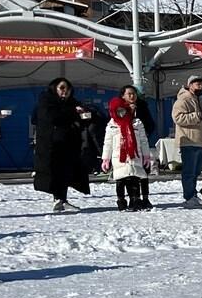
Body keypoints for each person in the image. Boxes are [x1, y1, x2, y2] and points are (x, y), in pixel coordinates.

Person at [33, 77, 90, 212]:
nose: (65, 91)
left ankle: (62, 199)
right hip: (51, 144)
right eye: (62, 88)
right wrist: (72, 113)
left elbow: (81, 120)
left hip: (69, 143)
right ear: (54, 88)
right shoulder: (46, 101)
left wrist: (83, 115)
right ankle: (58, 198)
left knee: (66, 172)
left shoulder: (72, 103)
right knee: (54, 171)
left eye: (68, 88)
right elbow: (51, 118)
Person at [102, 95, 154, 211]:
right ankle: (121, 201)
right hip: (119, 158)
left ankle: (134, 200)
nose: (121, 113)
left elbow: (144, 140)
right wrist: (106, 159)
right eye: (118, 111)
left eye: (123, 110)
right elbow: (108, 143)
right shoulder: (111, 126)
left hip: (135, 156)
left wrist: (146, 156)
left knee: (135, 180)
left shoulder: (136, 123)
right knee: (120, 181)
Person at [173, 75, 202, 208]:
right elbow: (177, 118)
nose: (200, 86)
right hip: (189, 141)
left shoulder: (201, 100)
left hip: (200, 141)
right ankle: (189, 197)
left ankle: (193, 195)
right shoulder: (183, 99)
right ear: (190, 85)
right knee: (189, 171)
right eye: (197, 84)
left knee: (196, 172)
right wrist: (198, 116)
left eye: (201, 84)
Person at [118, 86, 156, 206]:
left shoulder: (142, 107)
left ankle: (145, 198)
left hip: (141, 143)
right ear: (123, 96)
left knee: (143, 172)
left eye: (133, 93)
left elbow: (150, 124)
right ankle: (132, 198)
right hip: (126, 145)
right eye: (128, 94)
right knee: (129, 173)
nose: (132, 96)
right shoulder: (119, 109)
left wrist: (144, 132)